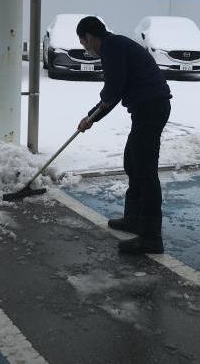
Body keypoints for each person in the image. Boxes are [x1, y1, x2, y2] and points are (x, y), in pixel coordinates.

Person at [75, 16, 172, 254]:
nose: (85, 48)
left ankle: (151, 237)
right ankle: (134, 219)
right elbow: (115, 93)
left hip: (151, 107)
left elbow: (113, 89)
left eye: (83, 42)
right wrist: (92, 116)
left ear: (88, 37)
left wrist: (91, 118)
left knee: (145, 170)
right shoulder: (115, 45)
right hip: (146, 107)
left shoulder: (112, 47)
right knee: (133, 162)